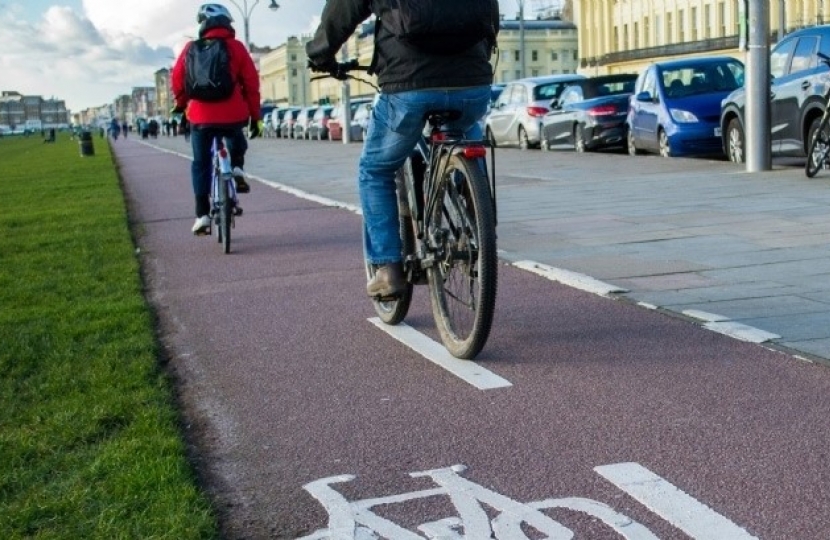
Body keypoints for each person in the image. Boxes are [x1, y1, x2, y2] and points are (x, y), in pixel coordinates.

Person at [307, 0, 499, 299]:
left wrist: (321, 54)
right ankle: (481, 236)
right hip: (472, 83)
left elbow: (342, 12)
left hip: (408, 84)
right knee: (466, 137)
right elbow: (489, 12)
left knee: (375, 170)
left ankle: (387, 270)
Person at [171, 3, 262, 235]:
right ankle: (238, 168)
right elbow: (251, 85)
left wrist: (181, 106)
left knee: (200, 163)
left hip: (200, 117)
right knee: (235, 135)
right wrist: (255, 117)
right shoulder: (236, 48)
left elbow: (177, 80)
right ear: (227, 23)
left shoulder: (190, 48)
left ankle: (202, 214)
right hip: (233, 113)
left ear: (202, 25)